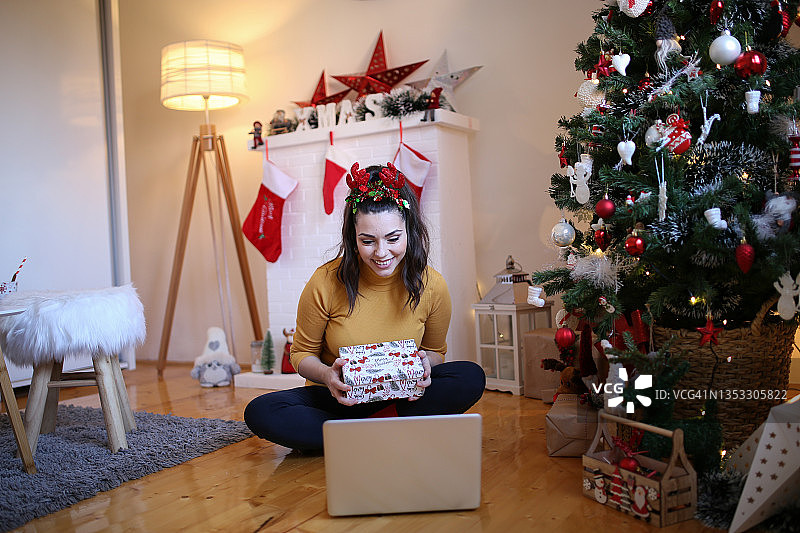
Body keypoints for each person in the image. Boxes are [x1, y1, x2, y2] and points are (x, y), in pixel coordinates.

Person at [244, 162, 485, 452]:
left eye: (393, 238)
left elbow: (436, 351)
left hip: (403, 398)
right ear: (352, 238)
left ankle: (354, 439)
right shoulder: (325, 282)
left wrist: (425, 365)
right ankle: (390, 432)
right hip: (339, 400)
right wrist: (327, 377)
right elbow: (301, 354)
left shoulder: (433, 285)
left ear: (410, 230)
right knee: (261, 411)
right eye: (367, 241)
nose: (382, 253)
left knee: (470, 376)